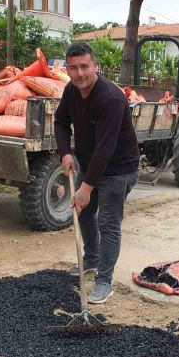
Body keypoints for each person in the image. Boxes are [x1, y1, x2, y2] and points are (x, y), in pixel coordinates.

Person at [54, 42, 140, 304]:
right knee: (84, 213)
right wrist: (65, 153)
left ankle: (104, 281)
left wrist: (87, 188)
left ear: (95, 66)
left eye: (85, 67)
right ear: (67, 69)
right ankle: (91, 258)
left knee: (108, 223)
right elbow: (60, 122)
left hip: (118, 169)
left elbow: (106, 148)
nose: (80, 74)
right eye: (74, 68)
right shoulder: (71, 91)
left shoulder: (110, 98)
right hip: (90, 164)